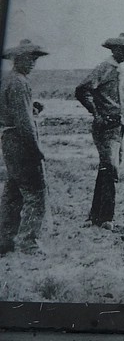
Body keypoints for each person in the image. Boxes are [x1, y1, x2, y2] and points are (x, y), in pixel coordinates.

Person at [75, 33, 124, 231]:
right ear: (114, 50)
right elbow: (82, 90)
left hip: (117, 126)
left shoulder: (119, 70)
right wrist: (96, 114)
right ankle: (106, 218)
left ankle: (96, 216)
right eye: (122, 51)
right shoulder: (105, 67)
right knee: (110, 168)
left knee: (107, 169)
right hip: (105, 127)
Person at [0, 39, 49, 255]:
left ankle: (4, 240)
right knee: (36, 194)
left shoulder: (7, 81)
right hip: (21, 144)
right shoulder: (20, 83)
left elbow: (15, 114)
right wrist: (35, 149)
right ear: (18, 59)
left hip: (9, 142)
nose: (33, 63)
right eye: (29, 58)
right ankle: (29, 243)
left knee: (13, 193)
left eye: (35, 59)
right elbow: (24, 124)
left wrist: (33, 108)